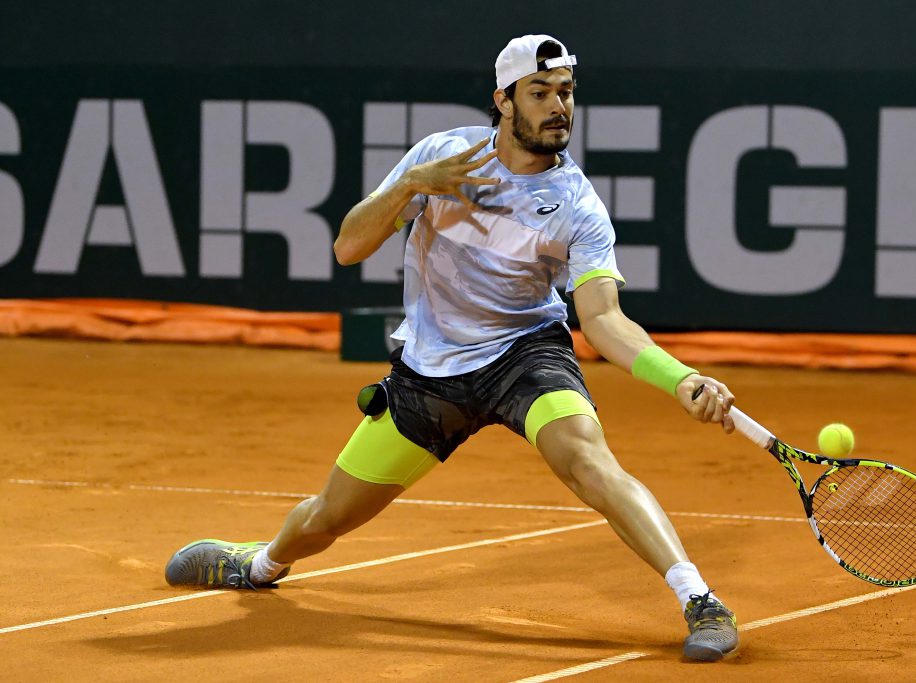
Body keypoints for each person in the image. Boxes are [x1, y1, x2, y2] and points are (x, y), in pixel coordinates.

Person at [165, 34, 739, 662]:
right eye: (540, 93)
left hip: (524, 357)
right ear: (504, 100)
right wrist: (411, 184)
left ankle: (699, 599)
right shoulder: (444, 155)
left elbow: (602, 319)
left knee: (588, 460)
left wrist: (679, 377)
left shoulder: (578, 206)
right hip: (428, 376)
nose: (558, 107)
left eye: (567, 93)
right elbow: (349, 247)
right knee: (326, 519)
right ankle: (260, 566)